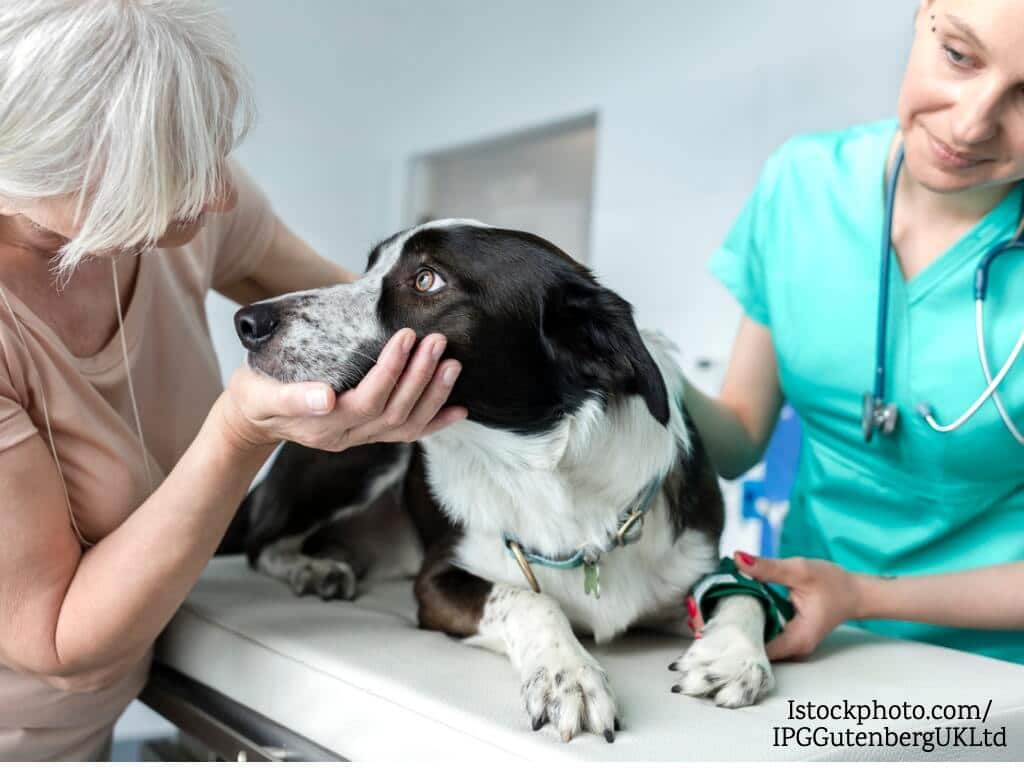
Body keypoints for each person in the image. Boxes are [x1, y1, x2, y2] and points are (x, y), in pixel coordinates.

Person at [0, 1, 466, 760]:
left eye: (212, 152)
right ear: (44, 166)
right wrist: (240, 430)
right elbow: (54, 635)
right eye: (173, 173)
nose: (217, 195)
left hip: (92, 727)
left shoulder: (187, 200)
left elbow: (379, 330)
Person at [685, 0, 1024, 665]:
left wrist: (863, 594)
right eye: (959, 55)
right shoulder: (802, 183)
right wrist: (640, 368)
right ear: (926, 12)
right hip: (809, 646)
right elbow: (736, 440)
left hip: (996, 681)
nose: (971, 122)